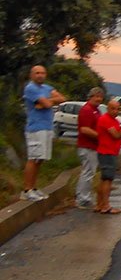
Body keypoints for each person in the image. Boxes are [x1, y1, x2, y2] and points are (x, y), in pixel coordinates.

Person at [21, 65, 66, 201]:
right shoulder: (30, 88)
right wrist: (48, 101)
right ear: (32, 75)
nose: (40, 75)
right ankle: (27, 190)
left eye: (42, 73)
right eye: (37, 73)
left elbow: (62, 99)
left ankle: (34, 187)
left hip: (47, 127)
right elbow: (46, 105)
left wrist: (48, 100)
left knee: (40, 159)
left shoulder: (46, 88)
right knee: (33, 158)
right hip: (36, 128)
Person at [95, 99, 121, 214]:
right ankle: (106, 206)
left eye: (118, 109)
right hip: (107, 153)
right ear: (108, 108)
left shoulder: (113, 120)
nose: (116, 111)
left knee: (104, 179)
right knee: (107, 179)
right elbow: (115, 135)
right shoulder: (106, 119)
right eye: (113, 108)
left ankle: (99, 204)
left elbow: (112, 137)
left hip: (110, 151)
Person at [75, 87, 105, 209]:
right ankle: (82, 199)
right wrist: (100, 137)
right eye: (96, 96)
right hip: (87, 146)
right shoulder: (87, 110)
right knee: (87, 172)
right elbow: (84, 129)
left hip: (93, 146)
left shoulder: (96, 110)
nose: (98, 99)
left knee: (89, 172)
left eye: (100, 97)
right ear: (90, 97)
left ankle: (84, 197)